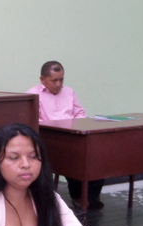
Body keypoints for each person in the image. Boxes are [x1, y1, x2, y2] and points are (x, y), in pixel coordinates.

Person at [26, 60, 105, 210]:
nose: (58, 84)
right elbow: (33, 121)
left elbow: (79, 113)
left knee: (96, 155)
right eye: (54, 80)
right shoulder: (32, 94)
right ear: (42, 79)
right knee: (72, 158)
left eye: (61, 79)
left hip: (71, 136)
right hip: (48, 138)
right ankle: (76, 196)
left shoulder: (69, 92)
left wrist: (81, 123)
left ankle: (90, 197)